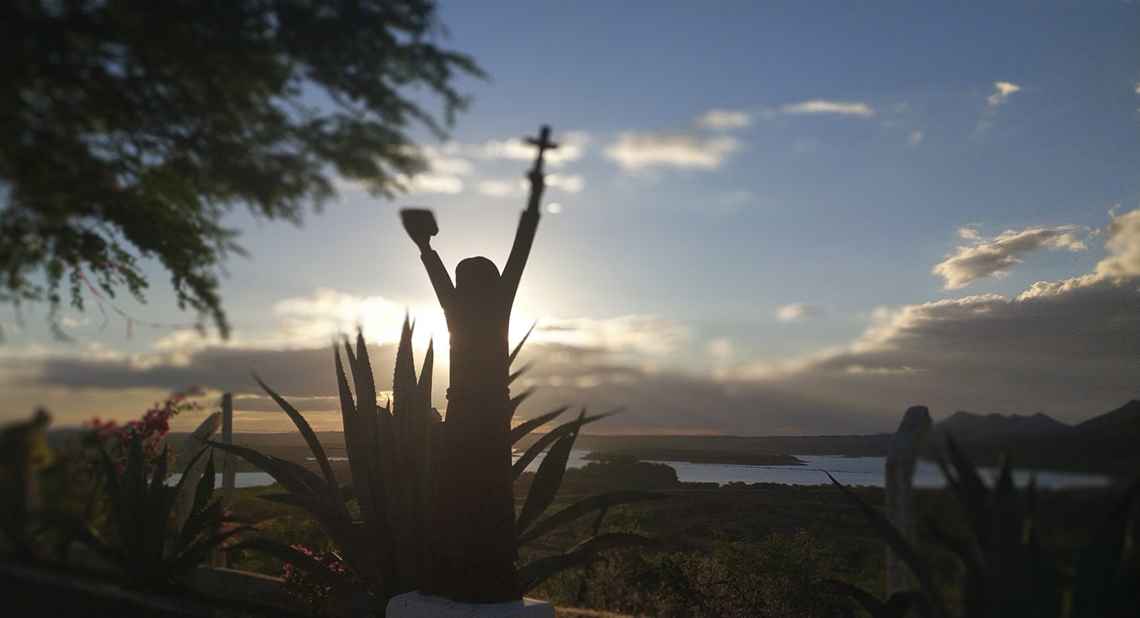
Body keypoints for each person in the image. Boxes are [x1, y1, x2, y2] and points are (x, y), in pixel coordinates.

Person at [401, 131, 549, 602]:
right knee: (480, 491)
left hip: (468, 411)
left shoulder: (462, 308)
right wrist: (535, 192)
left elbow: (515, 249)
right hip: (481, 411)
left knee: (462, 490)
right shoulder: (487, 305)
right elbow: (521, 246)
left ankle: (471, 570)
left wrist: (425, 245)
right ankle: (472, 570)